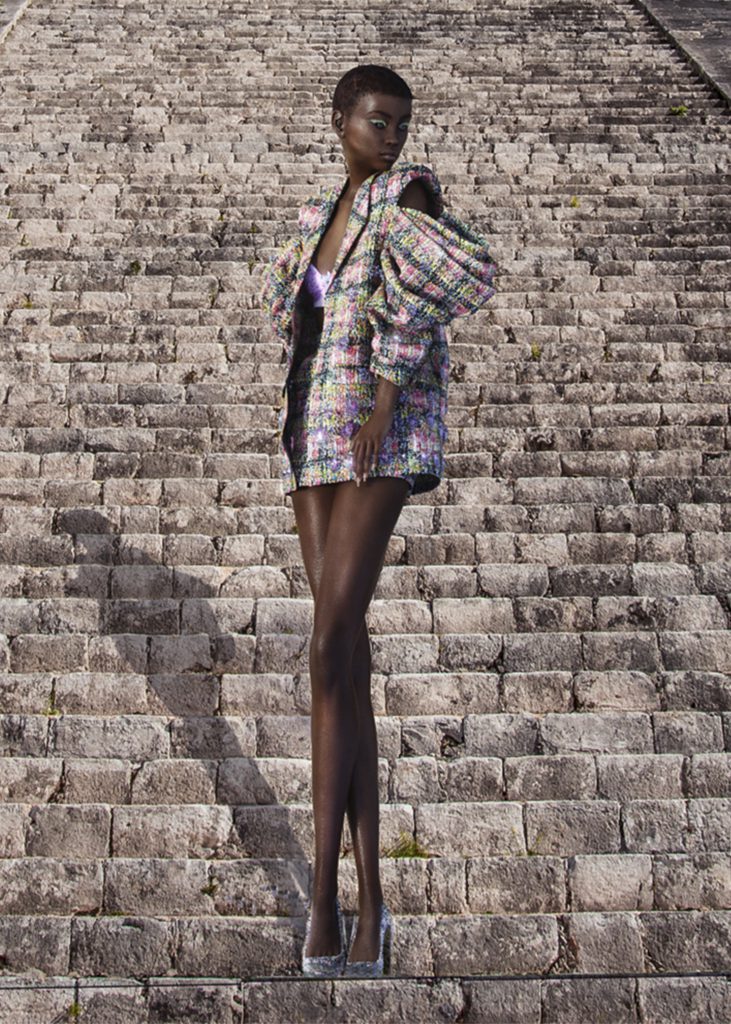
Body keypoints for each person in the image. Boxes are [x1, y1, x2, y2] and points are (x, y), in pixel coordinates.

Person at [262, 64, 496, 978]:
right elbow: (296, 322)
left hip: (378, 430)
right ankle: (358, 901)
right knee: (341, 654)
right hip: (312, 430)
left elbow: (429, 299)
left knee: (329, 639)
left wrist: (385, 401)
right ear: (340, 121)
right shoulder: (320, 213)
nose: (391, 136)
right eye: (376, 120)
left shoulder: (408, 195)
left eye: (399, 123)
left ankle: (329, 896)